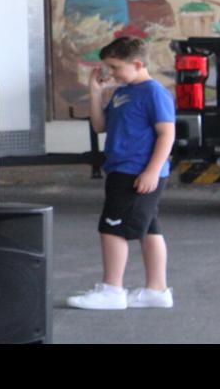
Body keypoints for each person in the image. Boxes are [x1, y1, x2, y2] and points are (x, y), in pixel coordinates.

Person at [67, 36, 177, 311]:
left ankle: (112, 290)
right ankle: (156, 290)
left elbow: (167, 134)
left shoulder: (154, 93)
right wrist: (95, 92)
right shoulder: (122, 92)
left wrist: (151, 171)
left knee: (111, 229)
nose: (111, 73)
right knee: (149, 227)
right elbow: (100, 125)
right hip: (121, 168)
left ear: (137, 64)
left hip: (136, 171)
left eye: (115, 67)